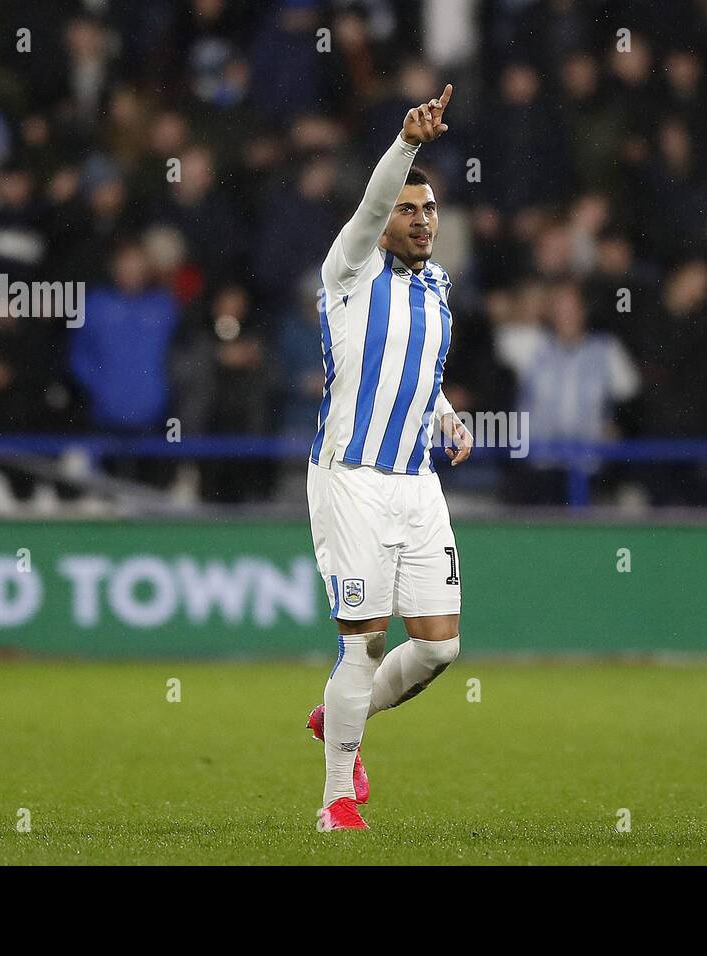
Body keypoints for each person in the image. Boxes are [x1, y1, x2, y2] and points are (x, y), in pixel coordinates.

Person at [304, 84, 473, 831]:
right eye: (408, 209)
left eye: (430, 209)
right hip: (351, 479)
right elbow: (371, 206)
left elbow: (415, 369)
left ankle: (337, 717)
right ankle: (337, 797)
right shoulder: (349, 270)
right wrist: (407, 144)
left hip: (416, 483)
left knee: (440, 649)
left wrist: (446, 414)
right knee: (365, 641)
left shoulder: (437, 285)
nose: (420, 219)